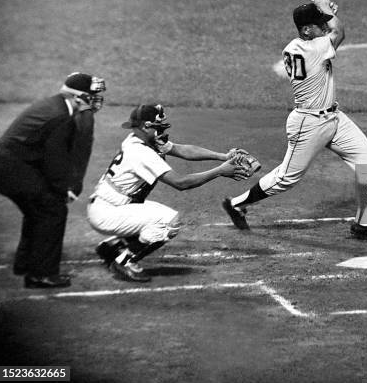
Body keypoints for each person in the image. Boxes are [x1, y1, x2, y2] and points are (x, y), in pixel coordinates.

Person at [222, 0, 367, 242]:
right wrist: (327, 11)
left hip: (334, 118)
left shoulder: (304, 45)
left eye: (323, 24)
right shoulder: (311, 49)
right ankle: (236, 204)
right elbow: (339, 31)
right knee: (286, 179)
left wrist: (324, 12)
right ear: (306, 30)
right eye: (318, 24)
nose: (324, 28)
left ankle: (363, 224)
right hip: (308, 123)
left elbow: (332, 30)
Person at [88, 103, 250, 283]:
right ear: (146, 126)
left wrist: (223, 157)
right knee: (167, 222)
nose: (162, 131)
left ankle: (111, 247)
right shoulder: (141, 152)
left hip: (113, 205)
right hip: (108, 212)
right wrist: (219, 171)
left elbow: (182, 150)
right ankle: (124, 261)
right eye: (158, 127)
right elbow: (180, 183)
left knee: (149, 216)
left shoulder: (141, 139)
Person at [0, 72, 106, 288]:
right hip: (9, 167)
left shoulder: (59, 106)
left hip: (9, 163)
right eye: (92, 96)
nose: (95, 101)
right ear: (78, 97)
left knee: (38, 208)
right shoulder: (61, 116)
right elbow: (55, 159)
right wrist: (65, 188)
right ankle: (41, 274)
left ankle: (26, 264)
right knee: (52, 210)